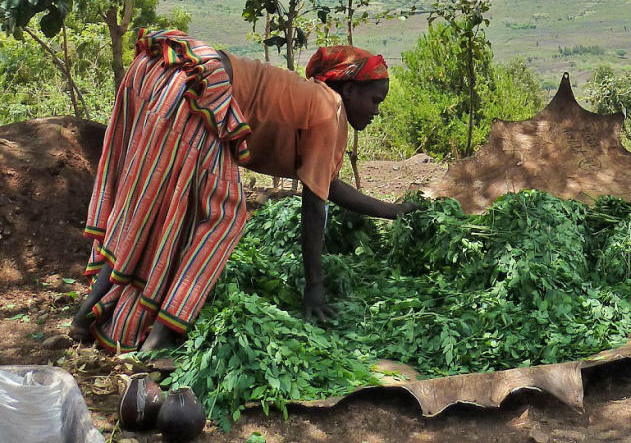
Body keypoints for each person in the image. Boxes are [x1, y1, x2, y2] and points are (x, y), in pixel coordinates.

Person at [69, 30, 406, 353]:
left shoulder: (318, 103)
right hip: (202, 91)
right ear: (348, 90)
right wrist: (314, 288)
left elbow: (326, 186)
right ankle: (160, 338)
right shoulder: (328, 108)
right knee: (222, 218)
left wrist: (393, 211)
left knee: (148, 214)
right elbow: (315, 206)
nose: (376, 110)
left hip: (172, 76)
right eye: (375, 100)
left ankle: (85, 318)